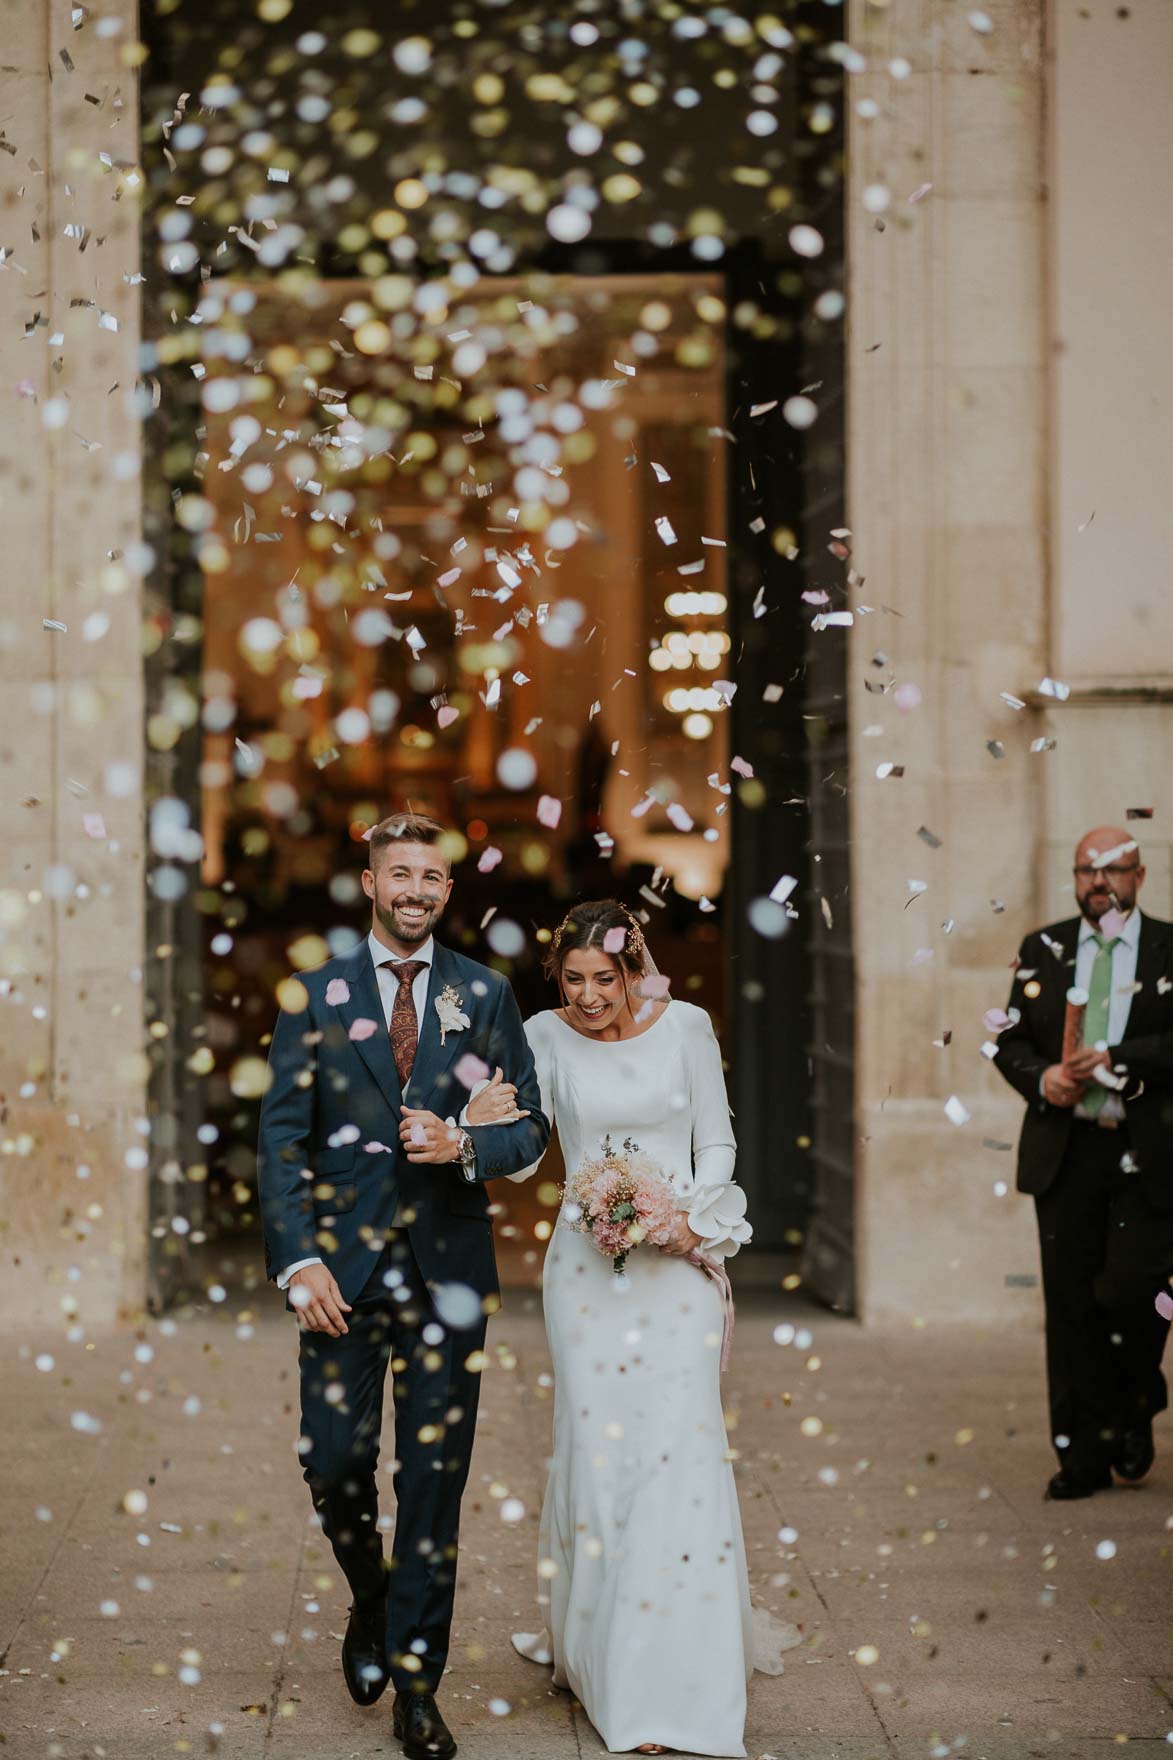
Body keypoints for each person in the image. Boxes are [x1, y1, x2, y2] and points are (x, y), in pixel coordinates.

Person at [465, 899, 798, 1757]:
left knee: (676, 1454)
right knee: (600, 1452)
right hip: (583, 1275)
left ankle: (674, 1674)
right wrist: (481, 1121)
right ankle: (604, 1654)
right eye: (571, 979)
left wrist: (685, 1218)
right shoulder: (541, 1034)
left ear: (630, 967)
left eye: (601, 979)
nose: (587, 996)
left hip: (675, 1267)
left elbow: (715, 1143)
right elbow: (536, 1149)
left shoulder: (685, 1026)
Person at [257, 812, 549, 1760]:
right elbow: (282, 1141)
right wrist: (299, 1262)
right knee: (334, 1462)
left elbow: (529, 1129)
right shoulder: (314, 994)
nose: (415, 890)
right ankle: (372, 1599)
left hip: (447, 1276)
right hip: (339, 1276)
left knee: (432, 1483)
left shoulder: (483, 995)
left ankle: (419, 1686)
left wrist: (465, 1141)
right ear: (372, 883)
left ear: (446, 891)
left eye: (432, 876)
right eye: (400, 875)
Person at [993, 826, 1173, 1501]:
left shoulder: (1168, 947)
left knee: (1132, 1294)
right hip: (1066, 1150)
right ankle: (1079, 1458)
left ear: (1138, 875)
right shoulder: (1041, 948)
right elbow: (1008, 1041)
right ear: (1073, 879)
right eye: (1086, 872)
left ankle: (1135, 1402)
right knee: (1069, 1307)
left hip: (1146, 1150)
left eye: (1112, 871)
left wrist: (1117, 1060)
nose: (1098, 883)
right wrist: (1041, 1080)